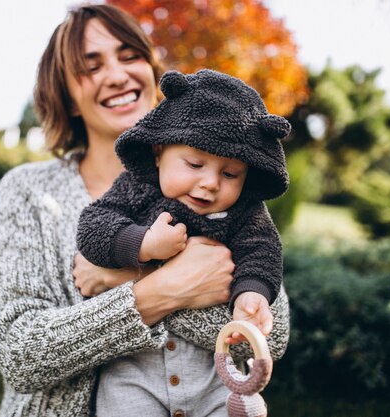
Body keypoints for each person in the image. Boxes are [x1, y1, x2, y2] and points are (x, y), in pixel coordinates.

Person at [0, 4, 290, 417]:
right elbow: (21, 354)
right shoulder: (28, 191)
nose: (116, 74)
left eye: (130, 56)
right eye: (90, 67)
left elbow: (271, 337)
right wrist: (165, 288)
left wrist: (124, 279)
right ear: (67, 96)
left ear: (152, 72)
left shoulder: (230, 199)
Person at [76, 68, 289, 415]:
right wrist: (144, 244)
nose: (210, 183)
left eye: (230, 173)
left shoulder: (245, 213)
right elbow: (93, 227)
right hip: (135, 369)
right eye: (194, 164)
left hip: (211, 373)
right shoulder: (136, 188)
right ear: (159, 151)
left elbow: (262, 252)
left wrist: (251, 294)